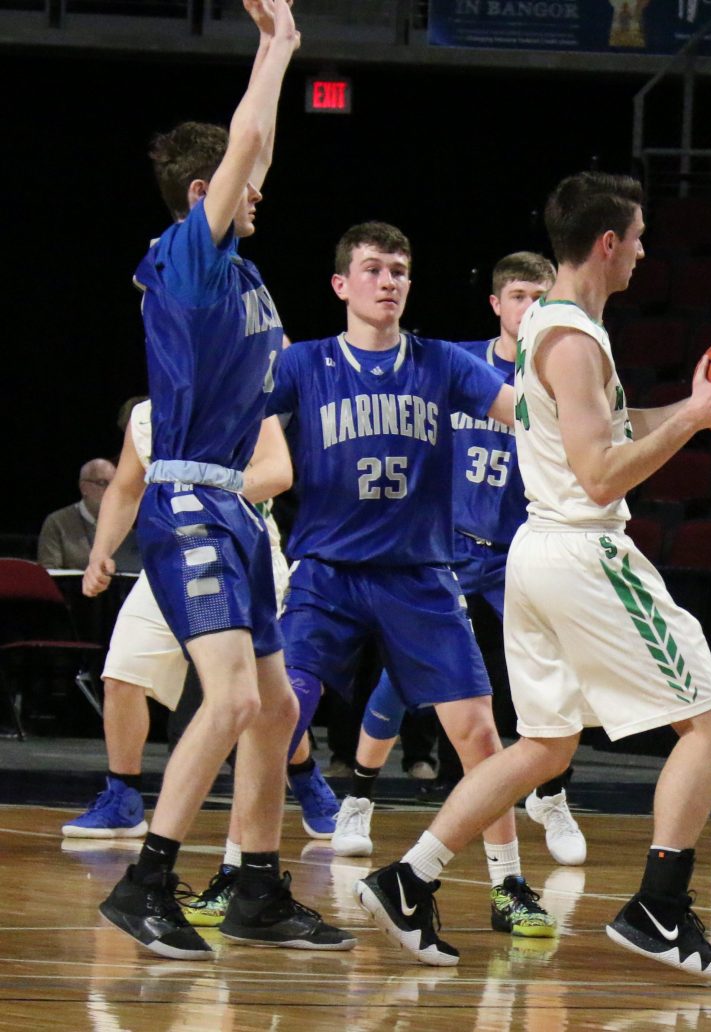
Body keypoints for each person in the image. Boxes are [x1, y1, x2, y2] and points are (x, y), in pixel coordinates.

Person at [355, 171, 711, 976]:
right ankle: (659, 907)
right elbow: (601, 474)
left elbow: (603, 428)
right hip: (583, 550)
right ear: (608, 243)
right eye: (638, 238)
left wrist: (692, 410)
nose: (643, 252)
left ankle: (410, 877)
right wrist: (692, 419)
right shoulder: (574, 340)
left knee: (544, 746)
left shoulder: (547, 320)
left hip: (536, 553)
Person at [99, 0, 353, 960]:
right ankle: (145, 882)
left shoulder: (238, 268)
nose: (261, 192)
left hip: (234, 510)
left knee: (278, 709)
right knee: (236, 700)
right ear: (208, 190)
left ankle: (256, 889)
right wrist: (275, 47)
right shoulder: (189, 261)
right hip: (188, 501)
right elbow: (248, 140)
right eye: (245, 184)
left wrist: (283, 57)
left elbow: (258, 150)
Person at [266, 222, 556, 941]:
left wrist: (597, 405)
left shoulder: (440, 363)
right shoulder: (301, 364)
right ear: (341, 284)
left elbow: (529, 417)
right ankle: (247, 874)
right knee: (279, 717)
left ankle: (509, 885)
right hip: (327, 572)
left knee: (479, 733)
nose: (388, 281)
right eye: (373, 268)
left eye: (399, 270)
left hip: (420, 573)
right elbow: (239, 426)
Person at [331, 252, 588, 870]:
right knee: (402, 680)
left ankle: (550, 796)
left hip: (523, 549)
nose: (530, 308)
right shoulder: (455, 364)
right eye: (519, 295)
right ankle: (358, 798)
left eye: (541, 297)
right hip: (447, 546)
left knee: (556, 677)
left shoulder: (567, 372)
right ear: (496, 304)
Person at [67, 399, 338, 847]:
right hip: (173, 555)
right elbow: (125, 489)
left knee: (265, 694)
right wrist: (101, 552)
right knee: (122, 674)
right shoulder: (146, 416)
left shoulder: (247, 402)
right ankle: (123, 797)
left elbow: (277, 473)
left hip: (242, 553)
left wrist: (205, 500)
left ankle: (306, 777)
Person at [38, 458, 139, 572]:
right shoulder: (57, 522)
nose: (110, 491)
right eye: (103, 483)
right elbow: (49, 572)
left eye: (114, 484)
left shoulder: (125, 522)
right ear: (84, 488)